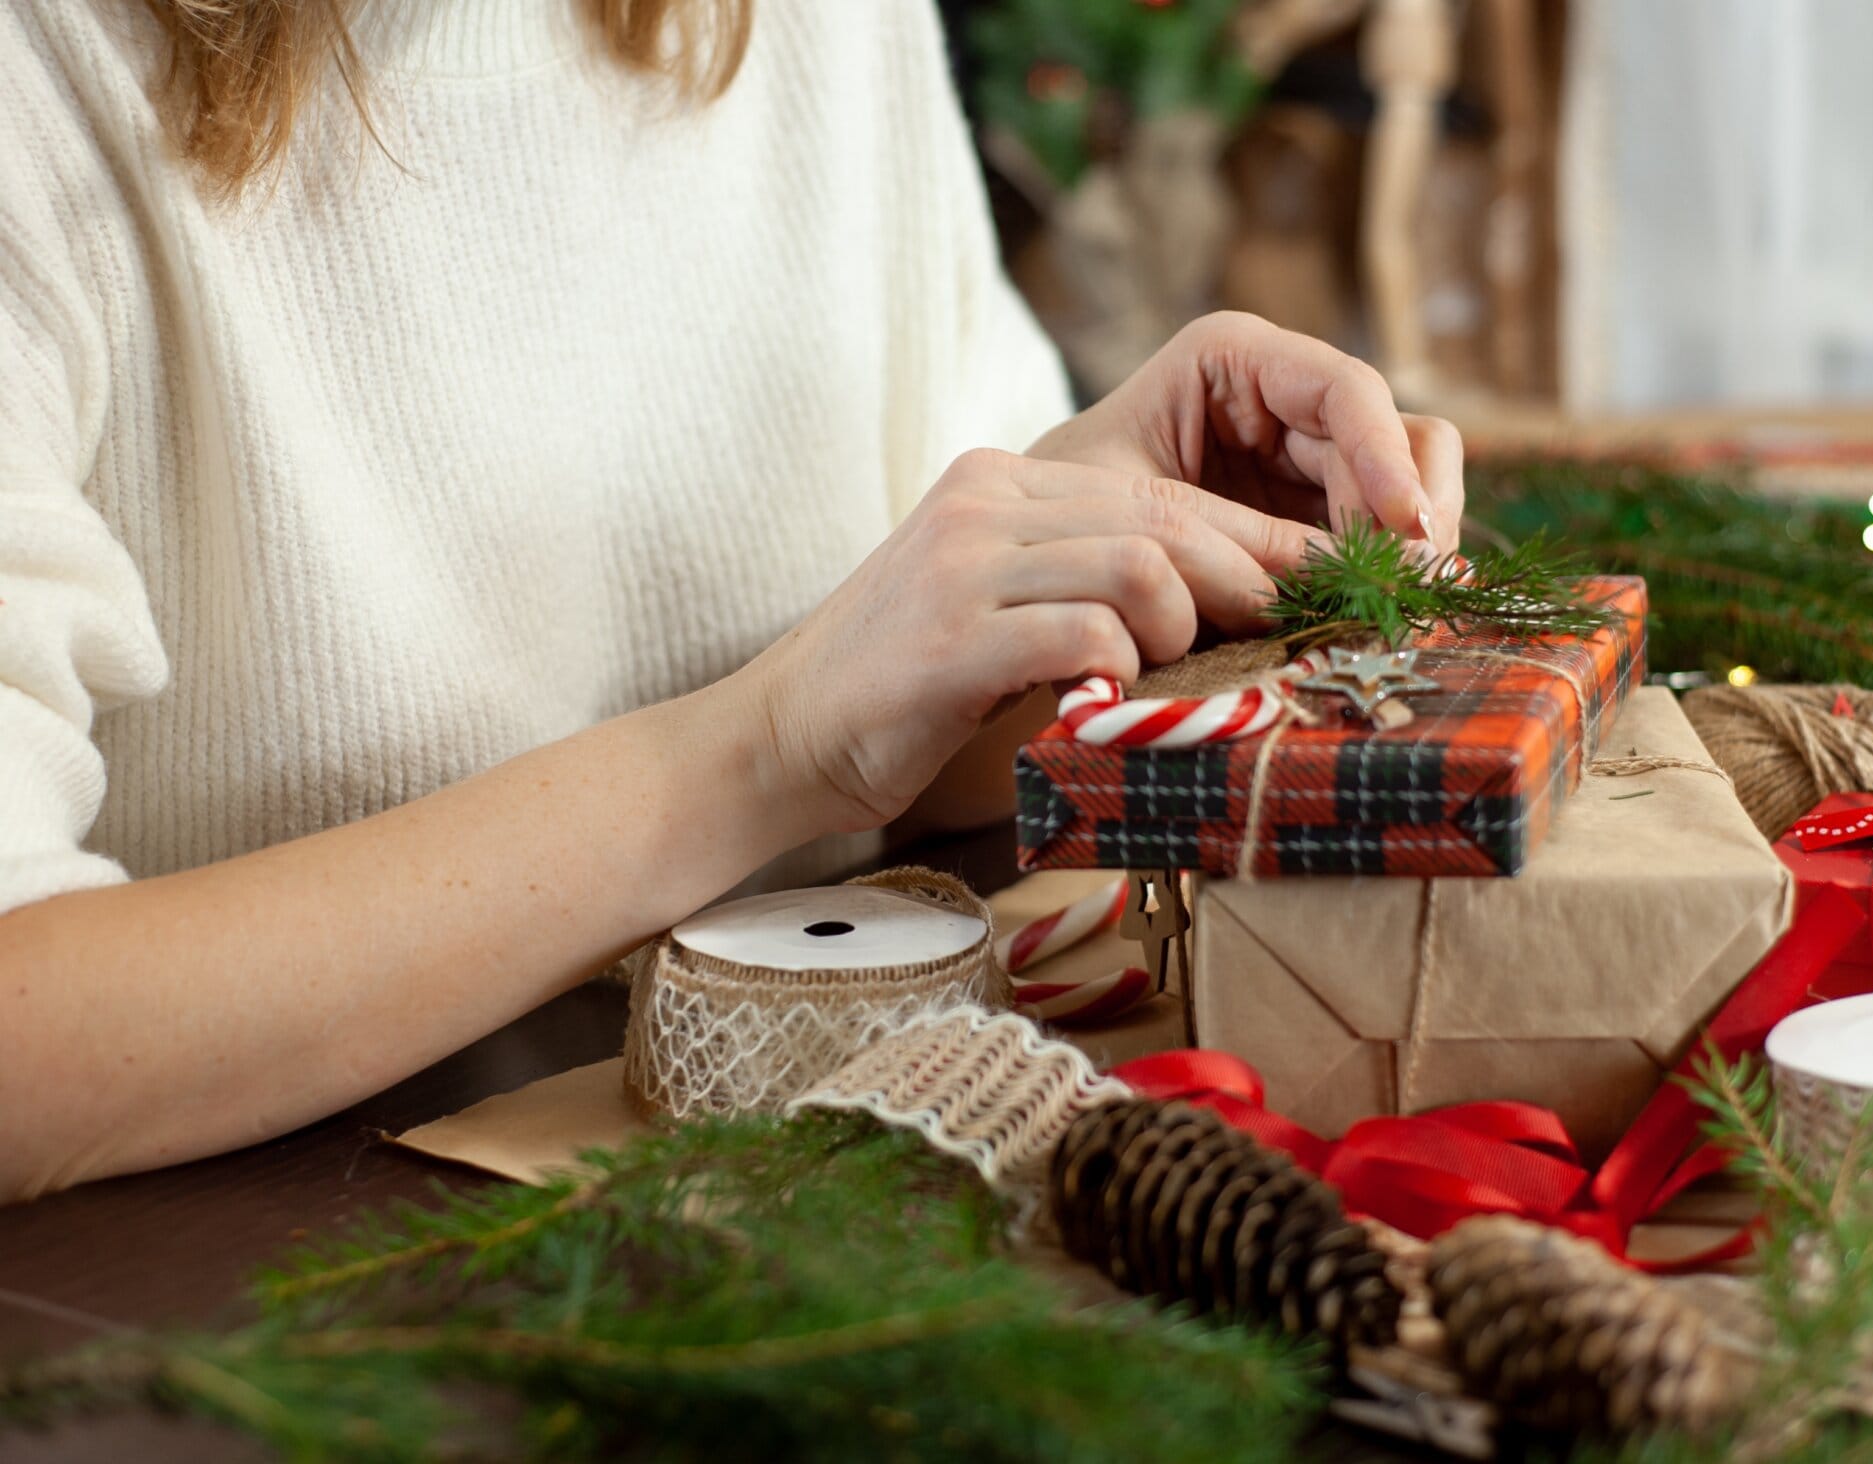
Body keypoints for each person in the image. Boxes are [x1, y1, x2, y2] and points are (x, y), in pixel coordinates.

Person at [0, 0, 1465, 1203]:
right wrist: (755, 751)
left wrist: (1093, 543)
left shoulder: (812, 27)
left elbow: (907, 766)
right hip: (267, 1299)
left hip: (835, 1218)